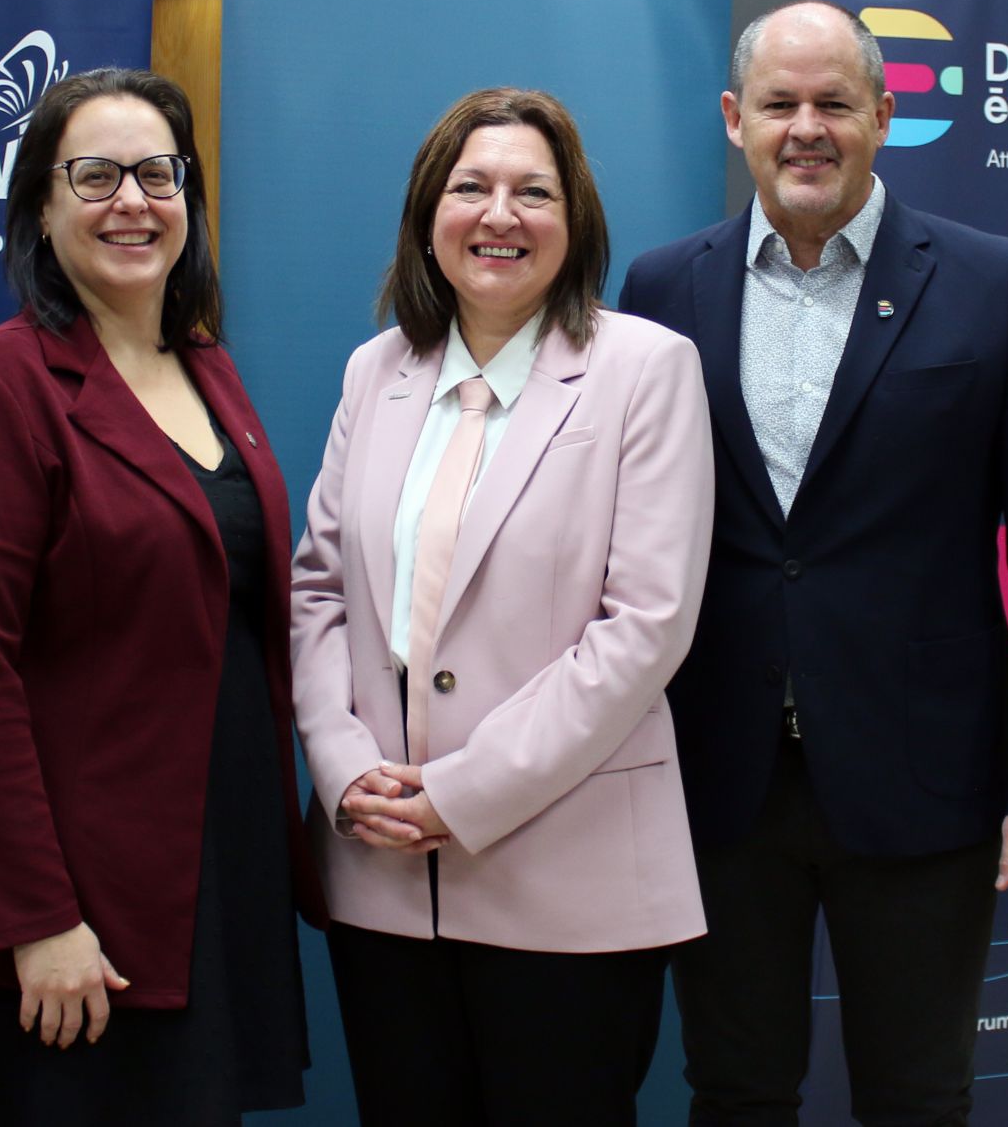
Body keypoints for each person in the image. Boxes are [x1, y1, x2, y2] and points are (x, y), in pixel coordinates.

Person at [618, 0, 1008, 1125]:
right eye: (779, 104)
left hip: (925, 780)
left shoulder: (993, 284)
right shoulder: (659, 291)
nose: (806, 128)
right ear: (733, 119)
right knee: (733, 1086)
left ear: (883, 116)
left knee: (916, 1092)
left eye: (833, 103)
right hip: (717, 777)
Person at [0, 67, 322, 1125]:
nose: (132, 200)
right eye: (95, 174)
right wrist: (36, 916)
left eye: (157, 173)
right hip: (62, 917)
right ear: (39, 202)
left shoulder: (206, 369)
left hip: (197, 876)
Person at [291, 86, 714, 1126]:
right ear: (427, 214)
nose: (499, 214)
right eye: (470, 186)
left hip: (568, 882)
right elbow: (316, 589)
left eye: (533, 191)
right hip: (381, 873)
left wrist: (463, 792)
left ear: (574, 226)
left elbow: (643, 627)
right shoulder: (375, 371)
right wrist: (345, 773)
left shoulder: (643, 369)